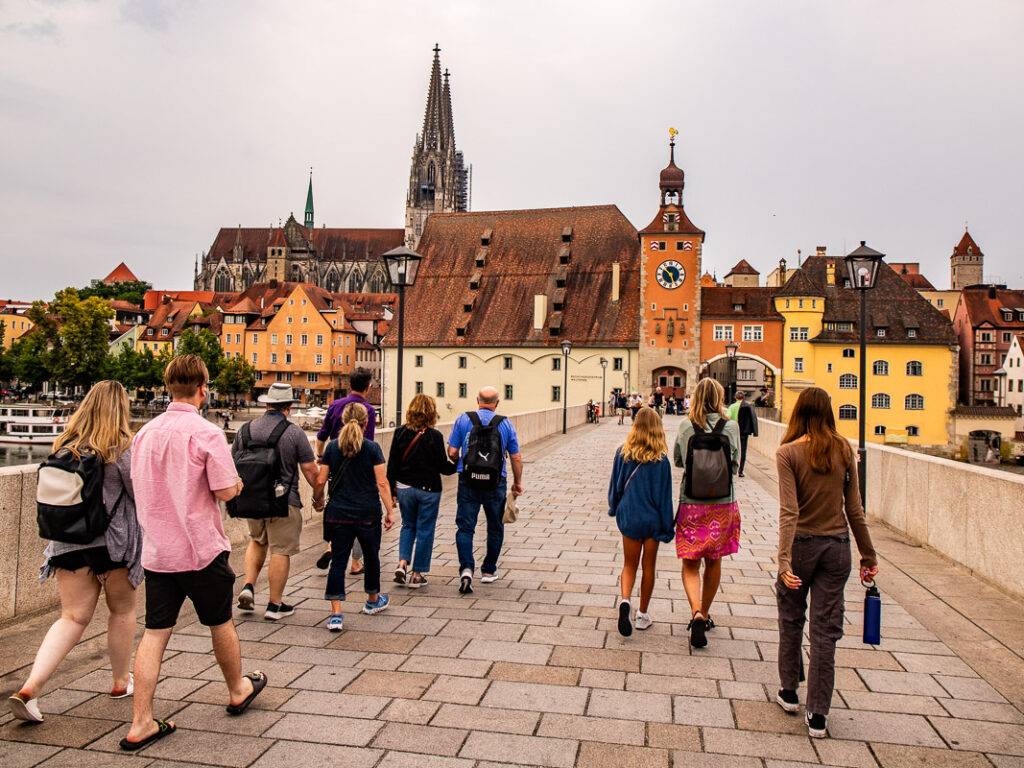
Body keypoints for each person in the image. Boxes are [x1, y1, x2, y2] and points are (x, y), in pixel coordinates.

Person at [124, 355, 266, 751]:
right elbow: (223, 490)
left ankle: (140, 722)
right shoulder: (205, 434)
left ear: (169, 386)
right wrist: (237, 485)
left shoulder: (144, 435)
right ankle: (237, 689)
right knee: (220, 622)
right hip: (201, 550)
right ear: (204, 387)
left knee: (155, 632)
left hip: (157, 553)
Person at [8, 381, 143, 724]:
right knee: (122, 611)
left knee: (71, 618)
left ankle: (30, 689)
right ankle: (119, 681)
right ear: (120, 408)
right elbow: (139, 494)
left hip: (67, 543)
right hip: (111, 545)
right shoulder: (121, 448)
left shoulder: (63, 445)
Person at [775, 386, 878, 739]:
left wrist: (784, 561)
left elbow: (789, 511)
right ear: (830, 412)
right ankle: (818, 714)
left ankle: (789, 692)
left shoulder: (787, 453)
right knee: (825, 631)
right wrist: (869, 556)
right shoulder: (845, 450)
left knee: (791, 617)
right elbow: (855, 510)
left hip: (800, 547)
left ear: (798, 412)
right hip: (836, 549)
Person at [234, 384, 319, 621]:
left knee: (257, 541)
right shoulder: (293, 433)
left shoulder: (245, 430)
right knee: (280, 550)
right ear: (289, 407)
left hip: (252, 499)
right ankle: (274, 604)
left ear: (267, 403)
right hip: (284, 500)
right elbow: (311, 470)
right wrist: (319, 497)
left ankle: (248, 586)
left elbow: (232, 465)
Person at [313, 402, 394, 631]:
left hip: (338, 513)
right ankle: (372, 600)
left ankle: (336, 614)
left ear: (342, 421)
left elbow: (321, 480)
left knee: (338, 560)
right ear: (367, 422)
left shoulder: (331, 448)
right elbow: (381, 482)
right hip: (367, 512)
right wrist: (389, 511)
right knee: (372, 556)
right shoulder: (372, 448)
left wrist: (317, 500)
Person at [672, 377, 740, 649]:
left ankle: (695, 611)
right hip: (723, 504)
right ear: (719, 397)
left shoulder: (686, 425)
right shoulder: (731, 427)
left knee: (690, 562)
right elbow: (735, 465)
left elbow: (678, 461)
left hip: (692, 502)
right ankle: (707, 613)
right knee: (714, 561)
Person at [448, 386, 524, 594]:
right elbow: (516, 457)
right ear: (497, 403)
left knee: (465, 527)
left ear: (477, 400)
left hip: (468, 480)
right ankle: (489, 570)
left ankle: (466, 569)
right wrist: (517, 483)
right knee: (495, 527)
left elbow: (453, 451)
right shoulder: (505, 423)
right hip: (495, 481)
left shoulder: (464, 420)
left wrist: (457, 459)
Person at [608, 407, 675, 637]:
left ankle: (625, 601)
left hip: (630, 516)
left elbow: (615, 486)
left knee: (629, 564)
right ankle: (643, 614)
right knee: (649, 567)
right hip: (652, 519)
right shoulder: (662, 460)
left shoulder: (622, 453)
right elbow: (665, 498)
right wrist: (668, 527)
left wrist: (614, 507)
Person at [387, 394, 458, 589]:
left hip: (404, 488)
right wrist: (459, 463)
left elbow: (392, 465)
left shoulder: (400, 432)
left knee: (408, 525)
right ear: (432, 413)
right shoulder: (435, 436)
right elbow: (443, 467)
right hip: (428, 490)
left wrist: (392, 493)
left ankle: (402, 563)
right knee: (425, 529)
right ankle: (416, 574)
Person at [314, 367, 376, 575]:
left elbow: (321, 436)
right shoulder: (368, 410)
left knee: (337, 505)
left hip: (335, 464)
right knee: (360, 513)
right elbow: (369, 442)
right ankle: (356, 562)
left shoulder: (334, 405)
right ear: (368, 387)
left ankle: (332, 545)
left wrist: (321, 457)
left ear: (350, 384)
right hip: (360, 468)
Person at [736, 394, 759, 477]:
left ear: (735, 398)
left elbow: (727, 417)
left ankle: (732, 467)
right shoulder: (748, 406)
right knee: (743, 451)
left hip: (734, 431)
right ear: (744, 398)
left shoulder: (732, 407)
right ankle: (740, 470)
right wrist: (755, 432)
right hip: (744, 432)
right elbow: (753, 418)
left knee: (733, 450)